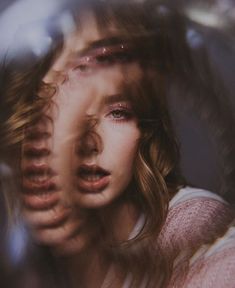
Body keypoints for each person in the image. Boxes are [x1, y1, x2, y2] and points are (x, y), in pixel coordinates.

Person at [0, 1, 235, 287]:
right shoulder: (28, 249)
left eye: (118, 112)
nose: (90, 143)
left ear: (144, 129)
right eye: (58, 112)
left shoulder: (197, 228)